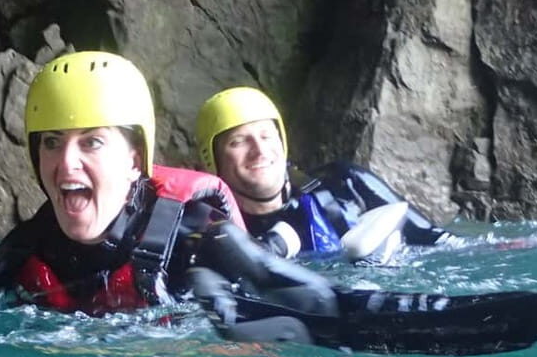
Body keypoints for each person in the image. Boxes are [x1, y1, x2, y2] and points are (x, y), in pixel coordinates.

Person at [0, 51, 338, 318]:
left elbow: (313, 302)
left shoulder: (197, 237)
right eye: (52, 142)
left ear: (134, 160)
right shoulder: (27, 249)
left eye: (92, 142)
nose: (66, 162)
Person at [194, 86, 460, 262]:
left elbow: (444, 245)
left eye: (266, 136)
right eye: (238, 142)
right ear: (212, 160)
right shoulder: (206, 228)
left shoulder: (345, 184)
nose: (260, 151)